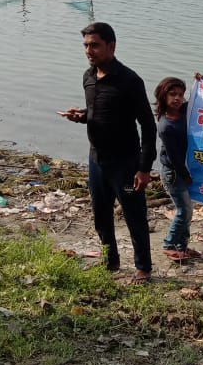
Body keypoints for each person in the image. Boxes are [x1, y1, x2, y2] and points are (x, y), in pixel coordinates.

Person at [60, 22, 156, 284]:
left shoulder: (130, 80)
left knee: (134, 215)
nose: (88, 51)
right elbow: (98, 112)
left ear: (111, 46)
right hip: (97, 160)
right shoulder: (88, 77)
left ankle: (143, 268)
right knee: (101, 215)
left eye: (95, 45)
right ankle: (110, 260)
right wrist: (80, 116)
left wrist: (144, 168)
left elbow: (148, 126)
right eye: (86, 46)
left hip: (125, 162)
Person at [153, 76, 202, 262]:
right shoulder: (166, 125)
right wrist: (186, 175)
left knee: (188, 209)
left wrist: (200, 84)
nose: (177, 98)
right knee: (185, 211)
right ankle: (169, 244)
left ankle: (182, 246)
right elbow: (173, 158)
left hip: (184, 168)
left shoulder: (183, 111)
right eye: (172, 94)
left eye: (180, 95)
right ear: (163, 96)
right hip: (174, 172)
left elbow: (198, 101)